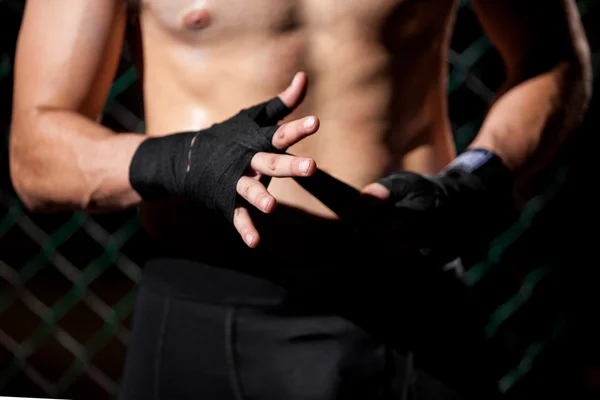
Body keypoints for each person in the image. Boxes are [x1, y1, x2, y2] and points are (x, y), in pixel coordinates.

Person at [9, 0, 591, 398]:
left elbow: (554, 57)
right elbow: (36, 152)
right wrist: (183, 159)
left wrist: (478, 177)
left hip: (413, 303)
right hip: (209, 313)